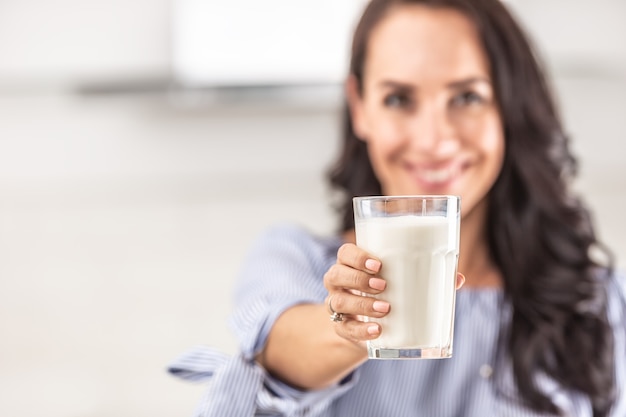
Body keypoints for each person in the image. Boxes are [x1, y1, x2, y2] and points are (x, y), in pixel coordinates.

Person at [168, 0, 626, 415]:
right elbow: (284, 346)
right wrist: (351, 324)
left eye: (467, 97)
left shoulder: (599, 302)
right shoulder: (293, 259)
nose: (434, 140)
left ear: (507, 105)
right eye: (398, 99)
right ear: (360, 106)